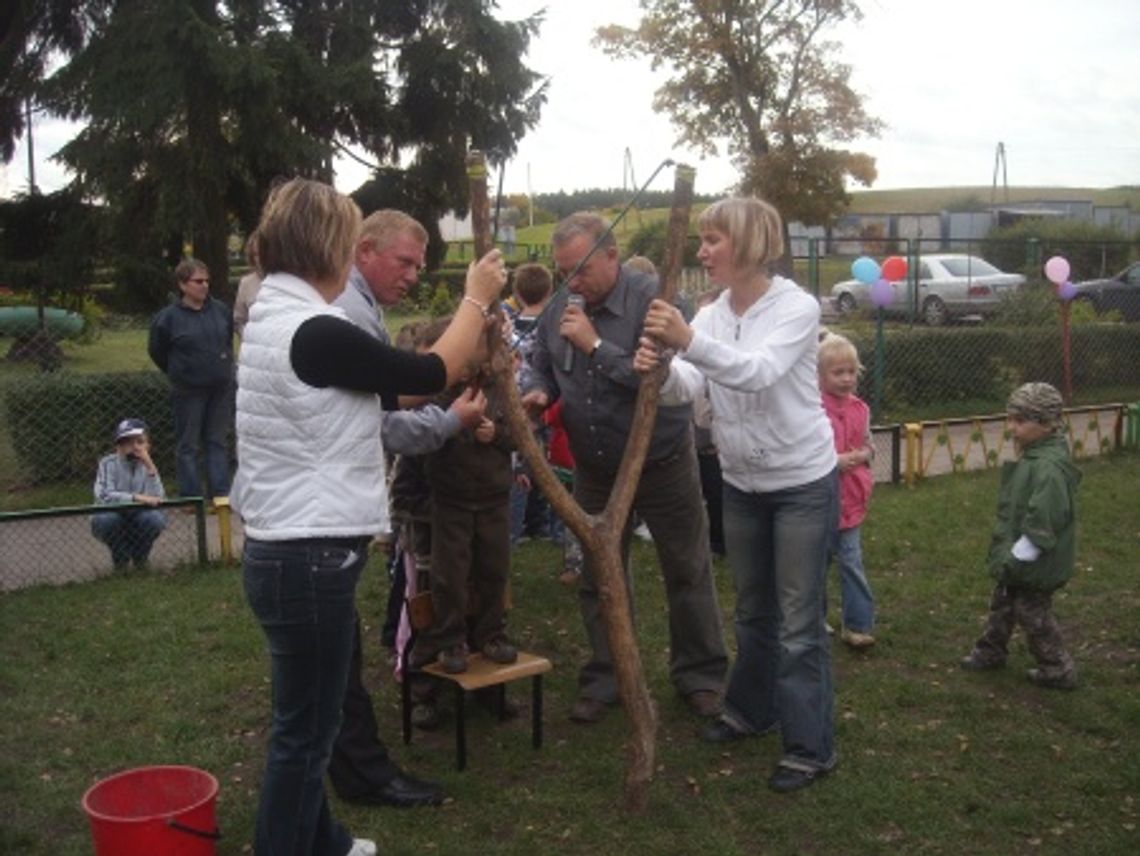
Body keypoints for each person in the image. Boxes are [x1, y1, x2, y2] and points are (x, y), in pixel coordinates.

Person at [231, 177, 506, 856]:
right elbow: (432, 368)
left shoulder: (276, 314)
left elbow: (394, 386)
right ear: (329, 246)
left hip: (288, 551)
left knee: (309, 720)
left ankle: (321, 840)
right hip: (307, 555)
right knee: (305, 734)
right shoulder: (315, 330)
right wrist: (476, 297)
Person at [636, 196, 838, 793]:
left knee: (800, 623)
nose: (702, 251)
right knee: (753, 610)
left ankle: (810, 746)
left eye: (713, 240)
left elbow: (756, 371)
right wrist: (661, 368)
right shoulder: (717, 312)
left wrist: (687, 339)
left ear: (748, 244)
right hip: (742, 482)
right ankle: (751, 711)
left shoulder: (797, 307)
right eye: (700, 239)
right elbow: (693, 387)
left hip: (801, 482)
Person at [521, 211, 727, 724]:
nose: (572, 281)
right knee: (598, 575)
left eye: (580, 269)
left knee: (687, 567)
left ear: (611, 255)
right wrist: (536, 387)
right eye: (563, 270)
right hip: (595, 468)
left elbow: (655, 380)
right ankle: (607, 675)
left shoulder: (655, 297)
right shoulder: (561, 306)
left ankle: (700, 676)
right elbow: (539, 359)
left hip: (661, 460)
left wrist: (594, 345)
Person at [326, 209, 481, 809]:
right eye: (405, 262)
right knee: (333, 657)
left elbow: (385, 398)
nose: (415, 275)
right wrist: (450, 417)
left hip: (331, 509)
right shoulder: (346, 311)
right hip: (324, 516)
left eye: (420, 264)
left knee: (336, 655)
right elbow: (388, 411)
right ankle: (361, 772)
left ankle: (353, 765)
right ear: (363, 250)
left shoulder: (359, 306)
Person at [411, 317, 517, 674]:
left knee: (494, 569)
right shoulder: (436, 392)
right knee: (449, 575)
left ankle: (492, 633)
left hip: (493, 496)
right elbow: (421, 437)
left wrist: (496, 434)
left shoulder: (500, 388)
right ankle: (450, 638)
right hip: (450, 498)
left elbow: (521, 438)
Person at [959, 382, 1080, 690]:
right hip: (1015, 554)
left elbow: (1046, 517)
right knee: (1002, 601)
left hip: (1032, 560)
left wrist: (1021, 553)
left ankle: (1057, 667)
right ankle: (991, 650)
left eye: (1020, 421)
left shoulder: (1049, 468)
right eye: (1010, 418)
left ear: (1046, 424)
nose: (1011, 427)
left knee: (1032, 612)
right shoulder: (1034, 457)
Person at [147, 258, 234, 502]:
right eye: (198, 281)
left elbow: (226, 340)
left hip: (221, 388)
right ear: (183, 285)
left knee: (217, 441)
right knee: (188, 445)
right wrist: (181, 371)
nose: (204, 286)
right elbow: (157, 351)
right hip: (188, 391)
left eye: (207, 281)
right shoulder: (167, 319)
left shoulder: (220, 311)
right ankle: (191, 498)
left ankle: (220, 495)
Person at [818, 332, 876, 649]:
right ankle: (814, 619)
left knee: (852, 562)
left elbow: (869, 443)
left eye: (851, 372)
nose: (845, 379)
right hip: (820, 500)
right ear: (819, 375)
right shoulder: (813, 408)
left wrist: (864, 455)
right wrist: (833, 460)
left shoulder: (860, 409)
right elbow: (806, 449)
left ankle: (858, 624)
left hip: (851, 500)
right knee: (816, 564)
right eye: (837, 372)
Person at [91, 418, 167, 569]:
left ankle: (140, 560)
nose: (134, 447)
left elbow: (158, 498)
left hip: (140, 516)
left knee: (154, 519)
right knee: (107, 520)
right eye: (127, 442)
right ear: (118, 447)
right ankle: (121, 561)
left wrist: (151, 467)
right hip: (113, 514)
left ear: (148, 446)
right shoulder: (108, 463)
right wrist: (137, 497)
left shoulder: (148, 465)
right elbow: (104, 496)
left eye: (140, 441)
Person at [233, 233, 263, 338]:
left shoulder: (288, 280)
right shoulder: (246, 283)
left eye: (265, 253)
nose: (261, 258)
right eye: (256, 254)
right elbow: (239, 320)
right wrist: (249, 336)